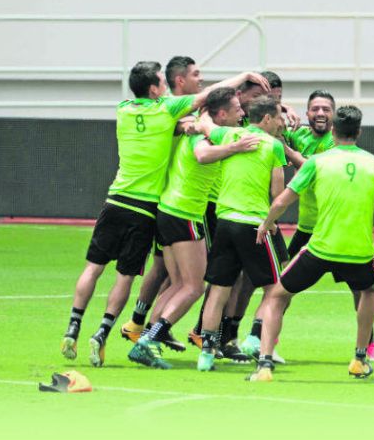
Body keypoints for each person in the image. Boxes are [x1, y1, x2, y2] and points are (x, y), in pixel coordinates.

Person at [59, 60, 270, 367]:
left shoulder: (125, 109)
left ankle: (85, 326)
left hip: (129, 202)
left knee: (152, 278)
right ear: (158, 88)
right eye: (237, 108)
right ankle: (134, 335)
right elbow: (206, 114)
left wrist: (192, 125)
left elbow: (200, 109)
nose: (242, 113)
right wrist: (228, 137)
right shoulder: (176, 115)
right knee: (185, 285)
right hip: (164, 209)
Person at [247, 105, 374, 382]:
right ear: (359, 132)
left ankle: (265, 364)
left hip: (320, 249)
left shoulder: (317, 162)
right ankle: (360, 359)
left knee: (277, 296)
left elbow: (282, 200)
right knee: (369, 290)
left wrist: (266, 223)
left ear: (334, 131)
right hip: (359, 252)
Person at [127, 87, 260, 369]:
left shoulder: (205, 128)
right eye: (237, 109)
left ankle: (148, 339)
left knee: (178, 284)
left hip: (170, 211)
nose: (242, 113)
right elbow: (202, 155)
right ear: (221, 114)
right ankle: (150, 339)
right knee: (194, 286)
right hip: (183, 214)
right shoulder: (201, 134)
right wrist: (235, 147)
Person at [279, 90, 374, 363]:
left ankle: (370, 343)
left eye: (326, 109)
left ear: (334, 118)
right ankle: (266, 337)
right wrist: (281, 107)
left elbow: (311, 167)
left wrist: (288, 151)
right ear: (306, 113)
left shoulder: (336, 143)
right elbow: (269, 127)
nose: (320, 113)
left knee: (361, 290)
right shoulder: (299, 135)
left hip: (337, 229)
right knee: (283, 286)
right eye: (314, 108)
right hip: (308, 227)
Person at [191, 95, 288, 372]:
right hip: (253, 224)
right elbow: (278, 194)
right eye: (278, 116)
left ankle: (206, 353)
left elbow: (205, 124)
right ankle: (258, 342)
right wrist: (270, 222)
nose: (280, 122)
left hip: (224, 222)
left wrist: (194, 123)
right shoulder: (273, 146)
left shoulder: (229, 134)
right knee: (276, 290)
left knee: (219, 290)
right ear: (266, 118)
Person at [118, 55, 206, 353]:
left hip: (174, 201)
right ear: (180, 81)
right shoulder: (168, 110)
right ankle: (140, 324)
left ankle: (149, 328)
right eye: (196, 75)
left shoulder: (178, 110)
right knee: (165, 271)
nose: (201, 80)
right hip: (171, 201)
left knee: (175, 275)